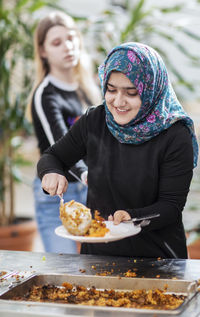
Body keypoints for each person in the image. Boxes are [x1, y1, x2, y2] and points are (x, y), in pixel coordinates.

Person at [37, 42, 198, 259]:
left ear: (151, 89)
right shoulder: (94, 120)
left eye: (131, 93)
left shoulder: (175, 135)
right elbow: (52, 156)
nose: (118, 102)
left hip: (158, 258)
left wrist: (131, 216)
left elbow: (170, 206)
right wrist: (51, 172)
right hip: (97, 254)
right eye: (111, 90)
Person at [27, 11, 101, 253]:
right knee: (66, 270)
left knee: (98, 268)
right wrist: (88, 175)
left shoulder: (88, 88)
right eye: (56, 43)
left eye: (71, 38)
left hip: (90, 189)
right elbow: (59, 147)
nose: (67, 47)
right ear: (43, 52)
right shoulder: (45, 94)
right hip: (56, 197)